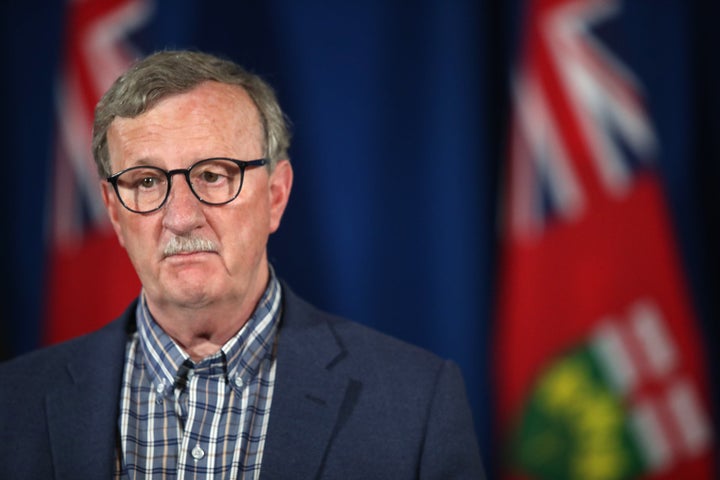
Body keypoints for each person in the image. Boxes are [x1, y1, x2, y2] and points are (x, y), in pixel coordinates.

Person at [0, 50, 484, 479]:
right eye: (146, 182)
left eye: (213, 175)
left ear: (276, 196)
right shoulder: (13, 404)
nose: (181, 218)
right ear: (113, 210)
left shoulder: (415, 405)